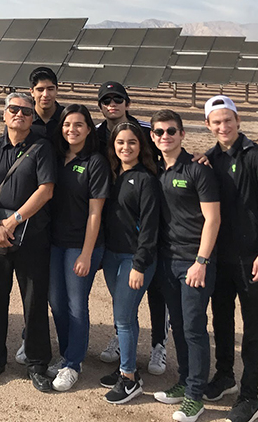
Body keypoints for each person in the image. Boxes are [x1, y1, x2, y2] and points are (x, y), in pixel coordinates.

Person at [202, 95, 258, 422]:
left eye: (228, 120)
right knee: (221, 319)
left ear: (238, 122)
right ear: (209, 126)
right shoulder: (208, 159)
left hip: (252, 259)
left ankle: (249, 395)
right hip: (219, 258)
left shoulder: (257, 157)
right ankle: (225, 375)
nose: (223, 126)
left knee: (253, 325)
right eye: (216, 122)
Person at [0, 92, 57, 393]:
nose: (19, 114)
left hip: (32, 237)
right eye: (14, 109)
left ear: (33, 118)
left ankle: (37, 363)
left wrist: (13, 221)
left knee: (34, 301)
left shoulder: (42, 149)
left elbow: (45, 190)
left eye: (25, 111)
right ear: (4, 114)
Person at [150, 109, 221, 422]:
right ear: (152, 137)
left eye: (171, 131)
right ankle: (184, 380)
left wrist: (201, 261)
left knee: (194, 328)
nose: (165, 136)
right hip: (167, 260)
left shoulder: (197, 170)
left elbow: (213, 218)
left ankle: (195, 395)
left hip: (194, 261)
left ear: (181, 135)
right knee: (177, 324)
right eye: (159, 132)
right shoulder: (156, 170)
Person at [94, 81, 169, 375]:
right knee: (124, 309)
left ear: (127, 102)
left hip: (139, 251)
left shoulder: (145, 133)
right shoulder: (99, 139)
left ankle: (156, 348)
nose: (112, 104)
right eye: (106, 100)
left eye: (118, 99)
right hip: (114, 248)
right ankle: (125, 347)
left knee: (151, 297)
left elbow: (171, 148)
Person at [46, 104, 110, 392]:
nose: (72, 129)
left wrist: (87, 253)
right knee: (57, 303)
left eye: (78, 124)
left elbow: (96, 212)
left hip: (80, 245)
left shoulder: (95, 161)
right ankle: (67, 354)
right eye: (67, 124)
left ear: (88, 128)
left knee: (76, 306)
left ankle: (72, 363)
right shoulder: (56, 157)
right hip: (54, 242)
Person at [99, 121, 160, 403]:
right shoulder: (110, 175)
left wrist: (139, 263)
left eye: (132, 142)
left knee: (123, 317)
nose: (126, 147)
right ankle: (130, 367)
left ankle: (129, 378)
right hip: (111, 256)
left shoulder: (146, 179)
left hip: (134, 259)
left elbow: (150, 227)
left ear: (141, 146)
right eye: (120, 142)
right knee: (127, 315)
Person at [30, 66, 65, 136]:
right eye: (40, 90)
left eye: (50, 89)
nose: (45, 94)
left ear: (56, 90)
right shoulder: (22, 118)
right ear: (32, 92)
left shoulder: (67, 117)